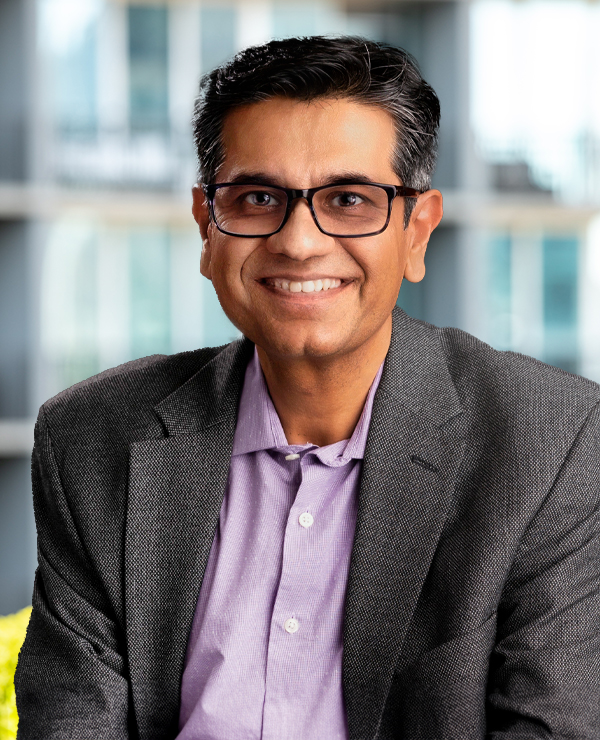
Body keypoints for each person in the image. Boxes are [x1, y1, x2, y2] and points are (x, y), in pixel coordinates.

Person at [15, 36, 600, 740]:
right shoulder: (93, 438)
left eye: (349, 199)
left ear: (417, 232)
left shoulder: (552, 441)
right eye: (258, 198)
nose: (298, 242)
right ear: (206, 228)